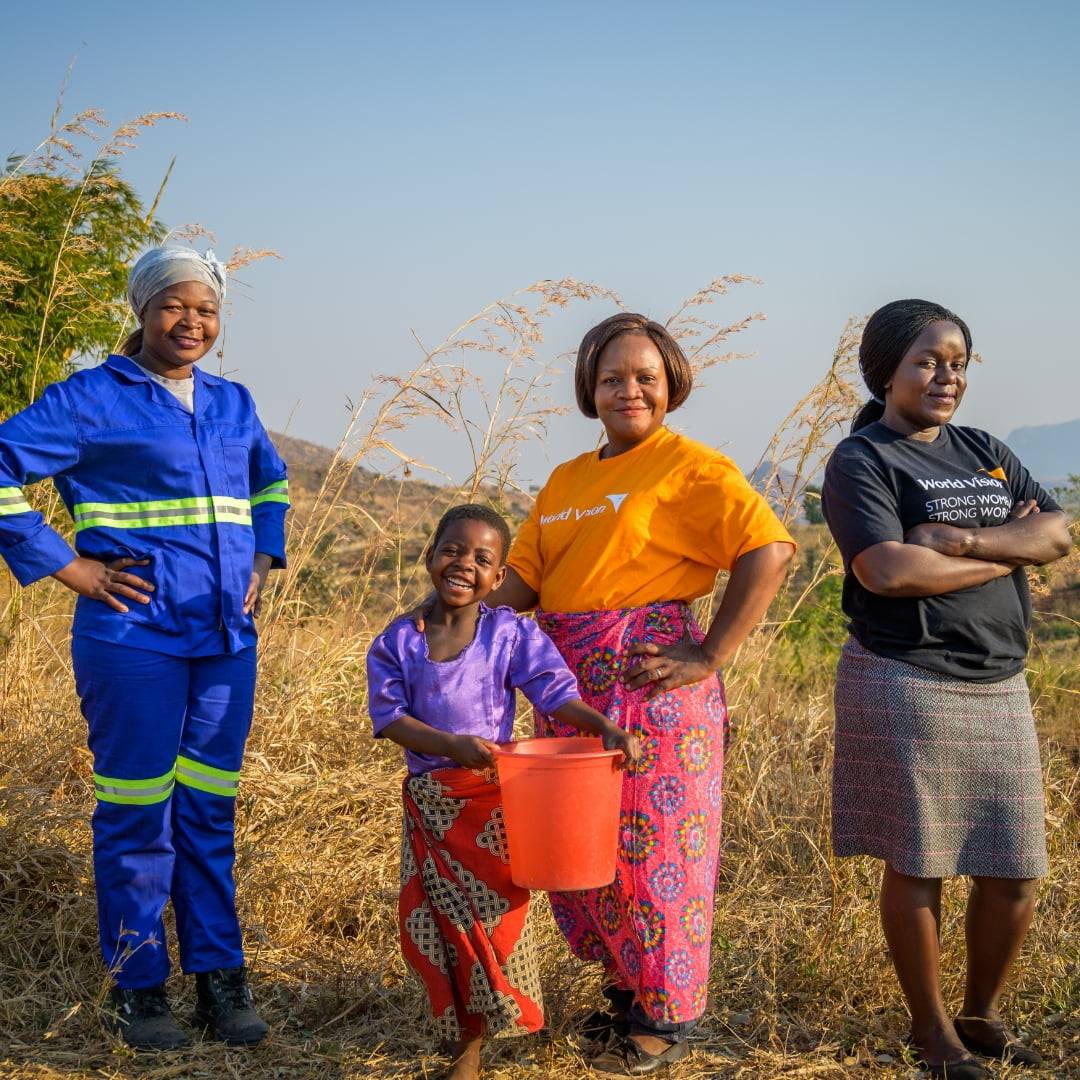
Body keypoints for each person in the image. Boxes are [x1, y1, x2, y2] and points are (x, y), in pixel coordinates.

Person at [418, 315, 795, 1075]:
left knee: (658, 853)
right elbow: (521, 583)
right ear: (589, 388)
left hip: (651, 687)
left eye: (646, 377)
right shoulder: (566, 481)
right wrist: (451, 607)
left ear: (672, 384)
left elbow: (770, 549)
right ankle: (625, 992)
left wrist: (710, 653)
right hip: (568, 692)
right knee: (582, 853)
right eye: (613, 377)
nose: (630, 390)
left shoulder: (689, 466)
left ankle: (665, 1014)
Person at [0, 245, 290, 1051]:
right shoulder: (94, 398)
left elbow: (270, 480)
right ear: (143, 309)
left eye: (205, 309)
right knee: (137, 814)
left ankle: (220, 979)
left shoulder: (233, 403)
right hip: (132, 640)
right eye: (174, 306)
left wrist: (265, 555)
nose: (190, 321)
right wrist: (70, 567)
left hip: (226, 643)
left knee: (207, 810)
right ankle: (137, 985)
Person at [821, 299, 1072, 1079]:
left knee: (1015, 867)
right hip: (906, 679)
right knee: (920, 859)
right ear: (887, 370)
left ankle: (981, 1014)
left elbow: (1060, 533)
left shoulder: (986, 450)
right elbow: (889, 571)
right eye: (928, 360)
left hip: (1000, 683)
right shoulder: (863, 460)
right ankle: (934, 1035)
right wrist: (1012, 550)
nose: (947, 375)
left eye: (958, 361)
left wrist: (961, 541)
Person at [367, 503, 639, 1080]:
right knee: (436, 927)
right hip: (431, 806)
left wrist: (602, 726)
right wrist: (448, 742)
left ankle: (473, 1049)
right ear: (429, 555)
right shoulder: (398, 640)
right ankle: (458, 1040)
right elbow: (389, 717)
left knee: (490, 926)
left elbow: (552, 691)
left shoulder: (508, 633)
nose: (464, 564)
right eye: (452, 550)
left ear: (499, 576)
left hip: (491, 806)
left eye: (482, 559)